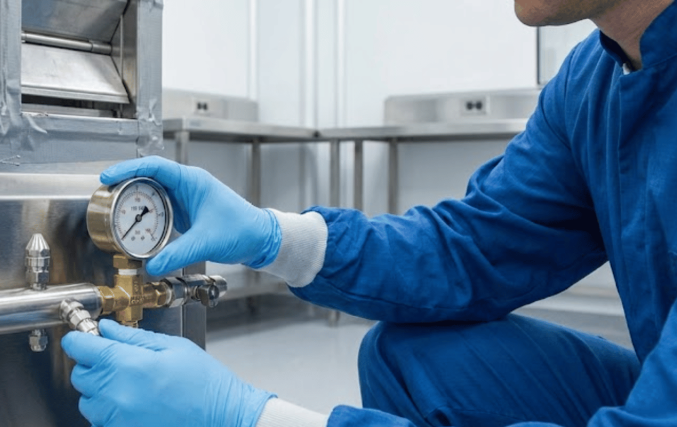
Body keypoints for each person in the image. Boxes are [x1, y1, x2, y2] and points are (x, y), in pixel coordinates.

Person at [60, 0, 677, 425]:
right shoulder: (594, 82)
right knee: (415, 360)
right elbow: (472, 248)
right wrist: (272, 236)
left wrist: (252, 418)